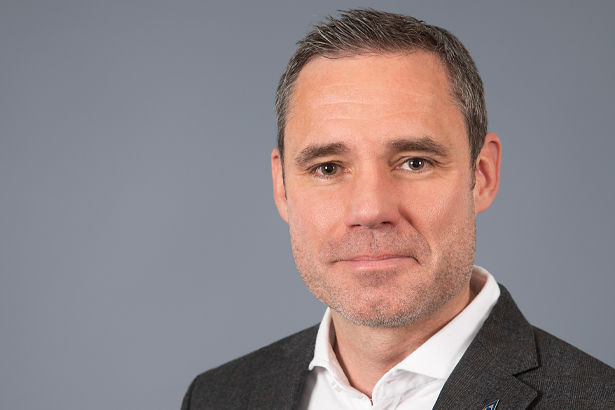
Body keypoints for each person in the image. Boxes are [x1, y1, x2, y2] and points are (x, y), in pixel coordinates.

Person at [181, 9, 614, 409]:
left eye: (415, 162)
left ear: (481, 174)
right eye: (328, 167)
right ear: (282, 187)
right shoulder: (217, 397)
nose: (370, 210)